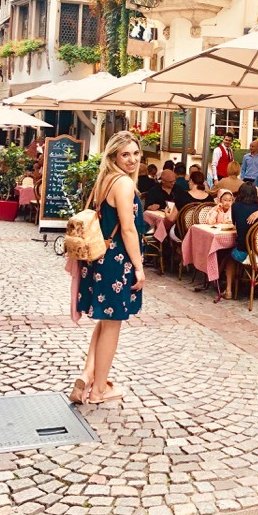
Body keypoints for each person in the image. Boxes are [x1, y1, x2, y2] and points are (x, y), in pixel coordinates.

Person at [70, 132, 145, 405]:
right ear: (114, 156)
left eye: (136, 154)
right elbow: (127, 228)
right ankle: (100, 390)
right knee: (112, 325)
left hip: (99, 259)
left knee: (104, 323)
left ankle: (88, 376)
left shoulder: (105, 179)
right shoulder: (123, 183)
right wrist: (139, 267)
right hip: (116, 262)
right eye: (125, 154)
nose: (132, 160)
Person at [222, 183, 258, 300]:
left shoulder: (235, 206)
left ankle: (228, 290)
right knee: (255, 253)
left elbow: (234, 223)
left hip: (245, 252)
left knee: (230, 258)